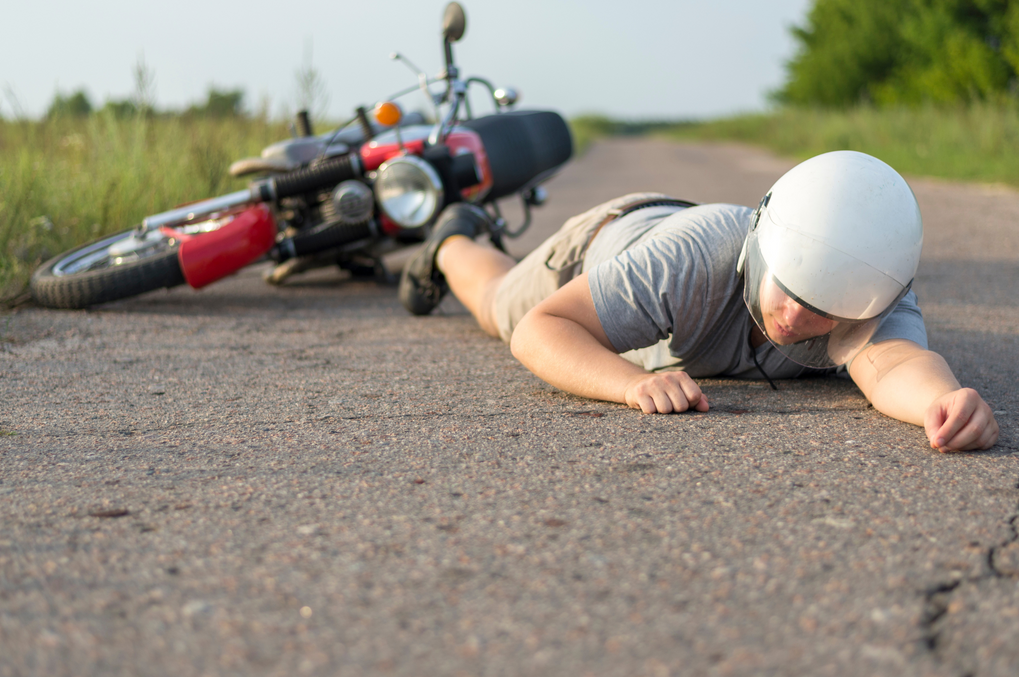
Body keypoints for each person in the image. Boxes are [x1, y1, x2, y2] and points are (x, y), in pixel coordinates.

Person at [398, 150, 998, 452]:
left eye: (822, 310)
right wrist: (628, 384)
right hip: (609, 240)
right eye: (786, 290)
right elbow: (541, 328)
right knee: (494, 301)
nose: (793, 318)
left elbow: (895, 364)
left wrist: (942, 404)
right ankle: (452, 236)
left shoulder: (871, 283)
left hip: (673, 242)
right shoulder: (692, 263)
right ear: (765, 246)